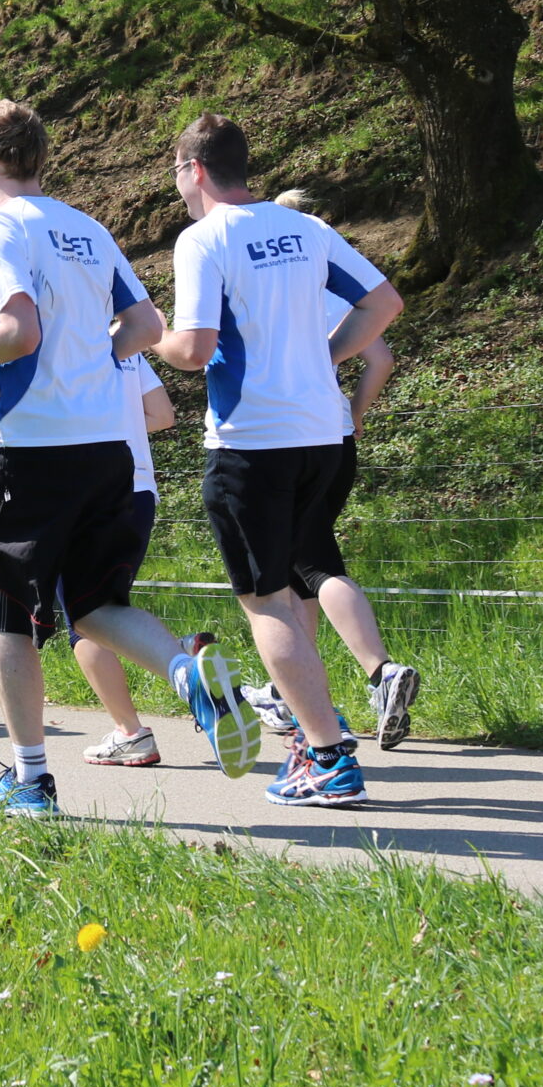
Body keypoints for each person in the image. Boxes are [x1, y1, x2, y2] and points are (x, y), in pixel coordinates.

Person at [0, 101, 226, 816]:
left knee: (6, 605)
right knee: (93, 602)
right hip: (108, 447)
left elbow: (19, 331)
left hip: (34, 445)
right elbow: (148, 325)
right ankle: (188, 675)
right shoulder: (87, 227)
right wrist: (90, 356)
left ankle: (31, 780)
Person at [153, 114, 403, 809]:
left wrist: (150, 339)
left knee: (267, 601)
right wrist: (324, 357)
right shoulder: (308, 230)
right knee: (300, 591)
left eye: (176, 174)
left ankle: (328, 757)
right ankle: (312, 735)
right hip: (323, 438)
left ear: (195, 170)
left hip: (250, 443)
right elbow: (385, 303)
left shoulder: (204, 238)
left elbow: (196, 348)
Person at [235, 190, 424, 748]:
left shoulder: (271, 288)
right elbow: (381, 359)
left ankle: (380, 671)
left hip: (284, 437)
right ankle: (290, 693)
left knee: (313, 565)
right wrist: (356, 415)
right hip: (335, 440)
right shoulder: (329, 285)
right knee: (300, 573)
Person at [73, 353, 177, 766]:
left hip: (85, 489)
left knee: (83, 617)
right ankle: (179, 653)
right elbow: (163, 414)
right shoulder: (130, 348)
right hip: (140, 490)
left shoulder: (60, 335)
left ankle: (131, 731)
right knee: (112, 609)